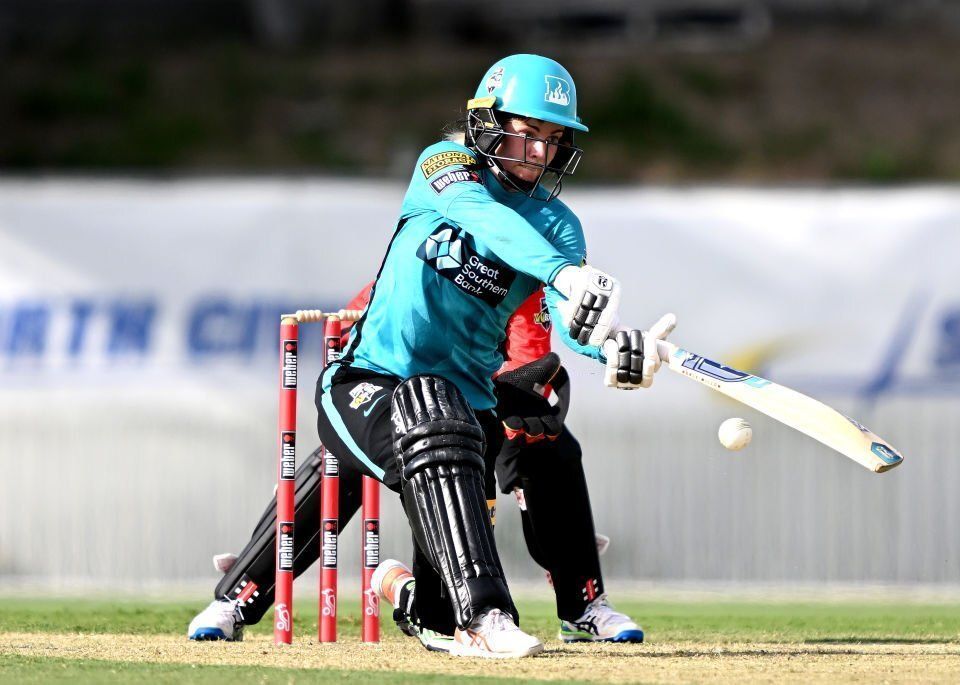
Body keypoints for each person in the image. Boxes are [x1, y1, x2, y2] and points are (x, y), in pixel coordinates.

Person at [189, 53, 673, 658]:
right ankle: (250, 596)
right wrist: (565, 273)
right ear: (489, 122)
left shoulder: (560, 225)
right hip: (368, 380)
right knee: (421, 411)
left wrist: (617, 347)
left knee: (458, 444)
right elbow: (485, 219)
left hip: (466, 411)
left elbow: (569, 324)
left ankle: (416, 594)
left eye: (553, 139)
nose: (541, 154)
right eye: (529, 133)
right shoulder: (443, 165)